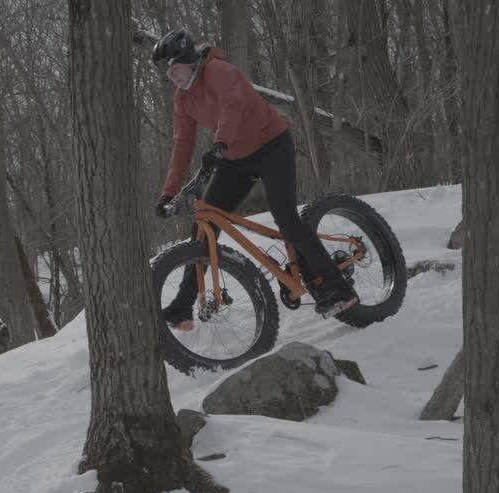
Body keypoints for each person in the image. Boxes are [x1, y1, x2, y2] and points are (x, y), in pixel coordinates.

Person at [151, 28, 358, 327]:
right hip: (234, 158)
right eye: (166, 73)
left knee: (286, 218)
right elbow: (182, 144)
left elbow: (232, 104)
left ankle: (338, 288)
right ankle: (183, 308)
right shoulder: (183, 100)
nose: (172, 77)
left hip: (271, 145)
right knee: (202, 225)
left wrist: (220, 142)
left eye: (174, 68)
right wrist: (168, 193)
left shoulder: (219, 71)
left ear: (187, 58)